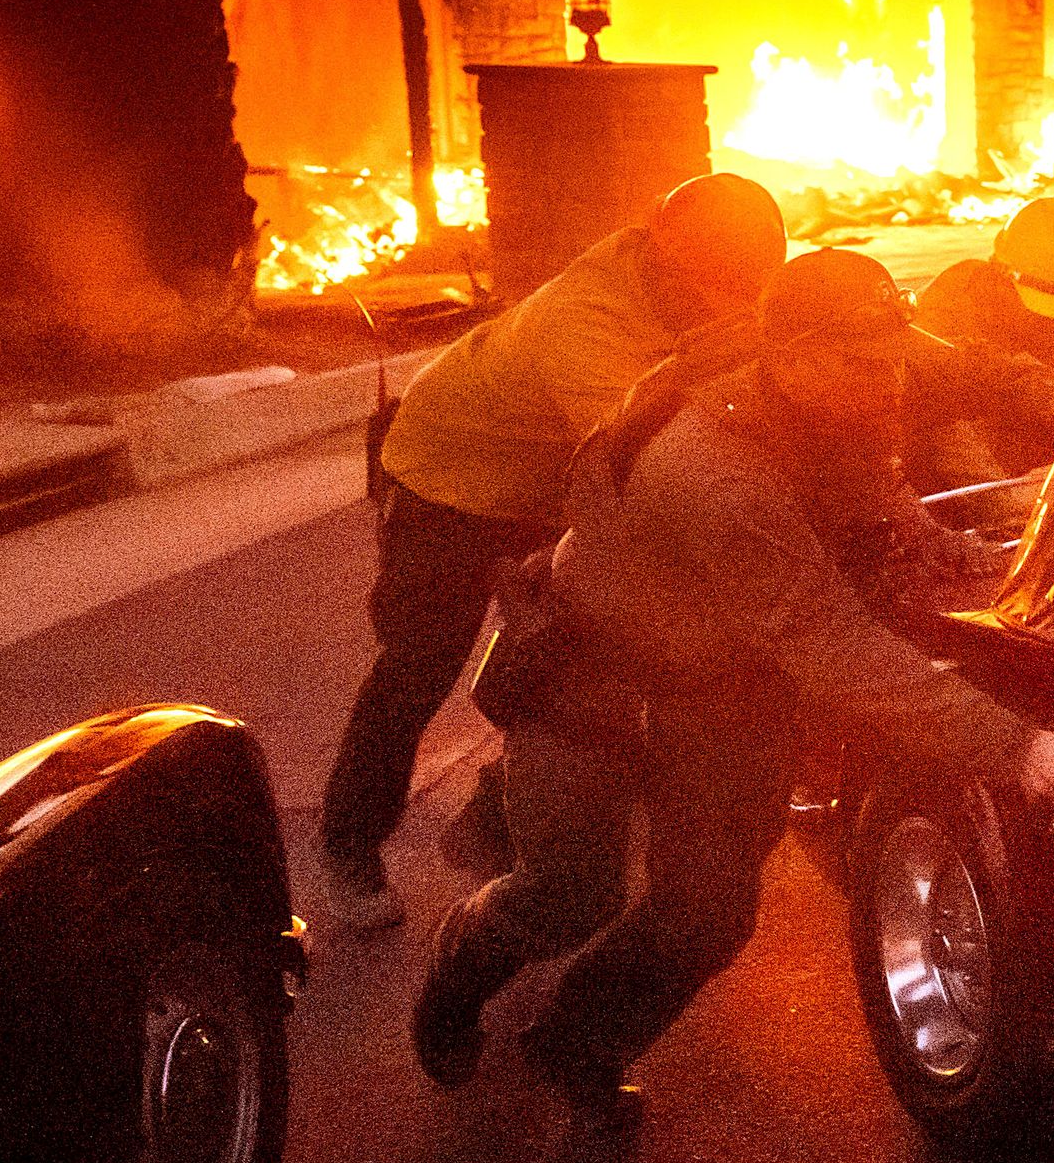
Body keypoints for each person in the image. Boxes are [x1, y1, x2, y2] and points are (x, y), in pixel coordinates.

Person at [412, 249, 1054, 1124]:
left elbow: (940, 356)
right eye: (866, 364)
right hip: (595, 670)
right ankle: (457, 967)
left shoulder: (838, 356)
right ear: (797, 357)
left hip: (724, 681)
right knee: (567, 891)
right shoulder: (717, 479)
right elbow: (833, 644)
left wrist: (1043, 396)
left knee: (709, 915)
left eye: (889, 355)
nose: (891, 382)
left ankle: (580, 1041)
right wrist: (1014, 742)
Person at [316, 172, 787, 932]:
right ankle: (348, 843)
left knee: (589, 651)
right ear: (675, 271)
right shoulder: (587, 327)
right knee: (418, 667)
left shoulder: (699, 260)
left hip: (551, 474)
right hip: (450, 480)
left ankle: (498, 815)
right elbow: (654, 461)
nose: (739, 313)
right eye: (723, 296)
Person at [909, 193, 1054, 487]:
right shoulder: (952, 307)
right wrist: (1015, 497)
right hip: (978, 477)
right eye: (1047, 302)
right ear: (1002, 273)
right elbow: (948, 428)